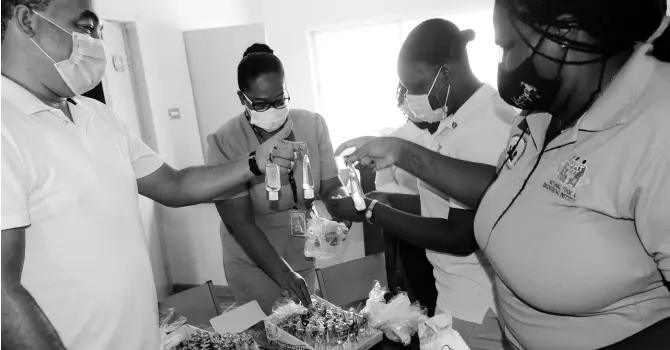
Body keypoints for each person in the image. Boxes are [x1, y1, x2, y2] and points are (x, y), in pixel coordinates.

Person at [336, 0, 670, 349]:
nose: (504, 64)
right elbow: (505, 192)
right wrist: (400, 153)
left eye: (508, 46)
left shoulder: (657, 125)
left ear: (563, 33)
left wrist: (379, 210)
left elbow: (460, 230)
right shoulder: (539, 116)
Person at [0, 2, 303, 350]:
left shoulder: (98, 116)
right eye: (85, 27)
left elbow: (174, 186)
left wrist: (254, 162)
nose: (98, 41)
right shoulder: (6, 127)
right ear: (27, 21)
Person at [334, 19, 516, 350]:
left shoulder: (486, 124)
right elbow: (443, 206)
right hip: (453, 296)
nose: (410, 96)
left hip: (478, 305)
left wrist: (377, 212)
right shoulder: (454, 119)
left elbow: (461, 235)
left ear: (445, 73)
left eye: (415, 86)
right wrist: (384, 198)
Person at [207, 43, 350, 315]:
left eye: (279, 100)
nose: (272, 109)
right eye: (260, 104)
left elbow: (331, 185)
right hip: (254, 261)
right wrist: (283, 274)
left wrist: (342, 216)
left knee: (304, 330)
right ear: (242, 98)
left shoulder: (312, 125)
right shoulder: (225, 141)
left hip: (302, 251)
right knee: (261, 331)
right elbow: (239, 222)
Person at [376, 83, 438, 318]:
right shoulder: (393, 141)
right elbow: (385, 211)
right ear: (402, 101)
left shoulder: (450, 132)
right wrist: (392, 268)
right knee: (423, 314)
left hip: (451, 237)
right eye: (410, 93)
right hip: (412, 242)